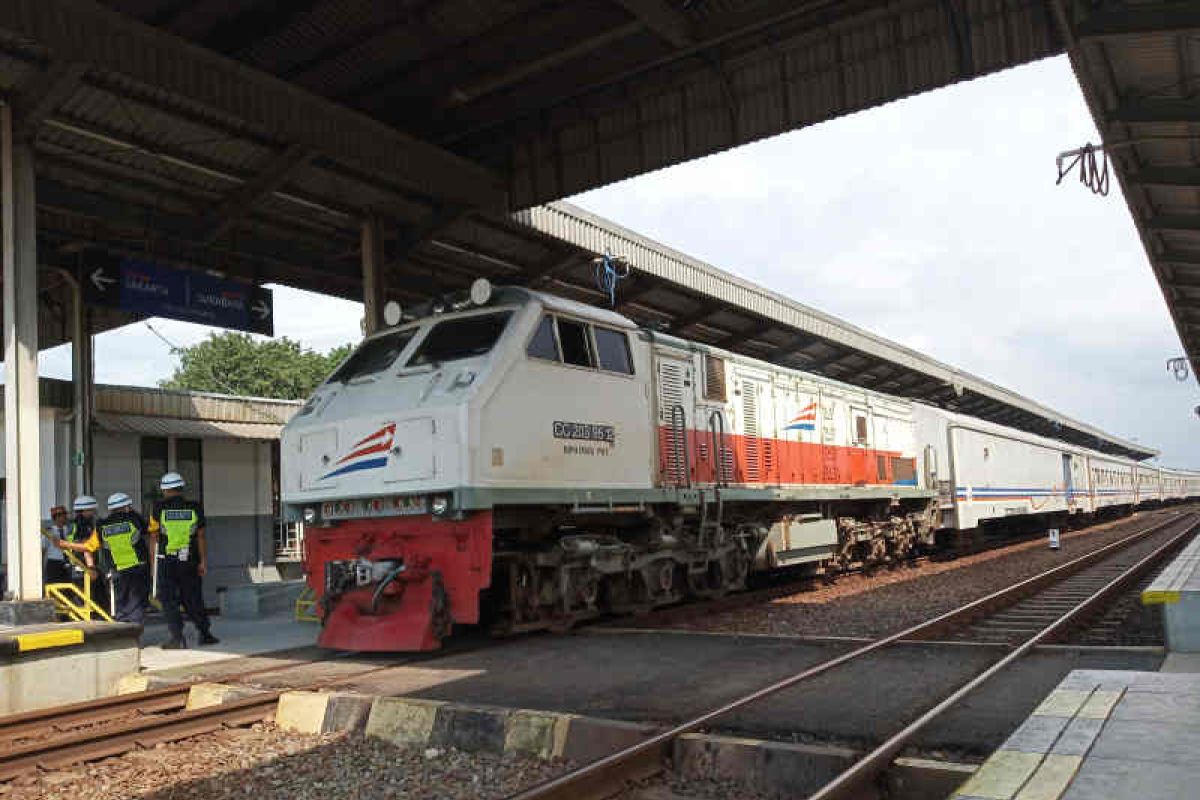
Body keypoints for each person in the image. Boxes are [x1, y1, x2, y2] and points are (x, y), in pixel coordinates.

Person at [149, 472, 218, 649]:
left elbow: (154, 538)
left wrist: (153, 566)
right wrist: (203, 561)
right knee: (193, 598)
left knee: (169, 600)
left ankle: (177, 637)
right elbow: (201, 536)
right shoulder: (195, 507)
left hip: (167, 561)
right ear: (181, 488)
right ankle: (205, 633)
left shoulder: (158, 508)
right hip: (189, 560)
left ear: (164, 490)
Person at [97, 492, 152, 625]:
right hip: (137, 566)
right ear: (126, 506)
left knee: (120, 601)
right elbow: (147, 531)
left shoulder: (102, 525)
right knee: (137, 601)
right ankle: (135, 631)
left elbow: (101, 546)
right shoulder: (133, 519)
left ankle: (122, 630)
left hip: (117, 569)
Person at [60, 496, 105, 612]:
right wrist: (91, 567)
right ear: (85, 510)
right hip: (83, 565)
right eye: (92, 509)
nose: (94, 512)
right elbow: (86, 548)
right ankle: (89, 617)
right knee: (88, 595)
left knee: (81, 594)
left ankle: (84, 615)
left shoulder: (72, 524)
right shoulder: (83, 525)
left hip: (76, 564)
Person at [40, 505, 71, 585]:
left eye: (65, 514)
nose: (65, 517)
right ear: (56, 517)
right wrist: (41, 568)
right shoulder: (49, 532)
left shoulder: (68, 530)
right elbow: (43, 550)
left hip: (67, 562)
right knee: (54, 585)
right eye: (63, 515)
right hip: (54, 563)